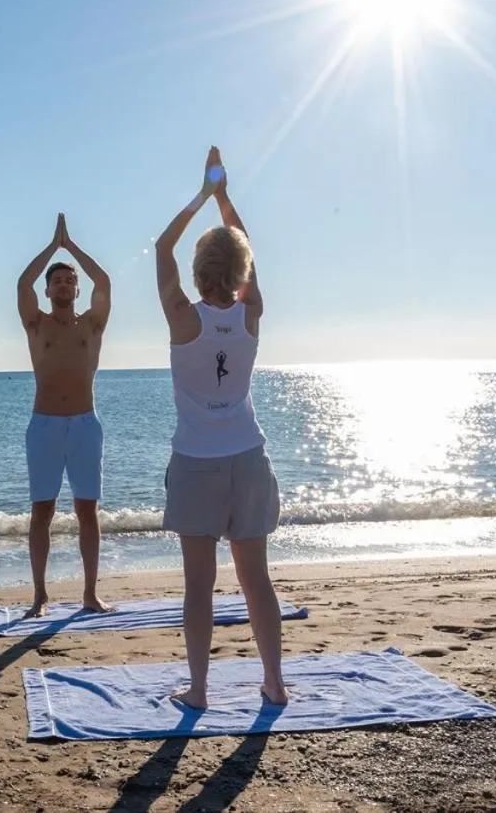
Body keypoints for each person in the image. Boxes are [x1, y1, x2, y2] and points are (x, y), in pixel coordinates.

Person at [154, 147, 287, 708]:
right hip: (247, 458)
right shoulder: (251, 312)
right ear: (243, 270)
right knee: (256, 580)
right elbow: (245, 251)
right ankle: (274, 683)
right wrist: (226, 198)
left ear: (198, 270)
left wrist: (202, 196)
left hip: (197, 463)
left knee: (198, 586)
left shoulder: (183, 318)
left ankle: (201, 689)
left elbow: (162, 246)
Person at [16, 212, 115, 618]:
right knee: (43, 510)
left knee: (87, 509)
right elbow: (22, 284)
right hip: (44, 425)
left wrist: (71, 247)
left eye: (69, 280)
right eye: (56, 280)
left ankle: (90, 593)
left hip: (84, 424)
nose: (63, 284)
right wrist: (51, 248)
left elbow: (105, 283)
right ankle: (40, 594)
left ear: (77, 288)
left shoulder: (91, 324)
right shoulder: (36, 324)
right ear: (48, 289)